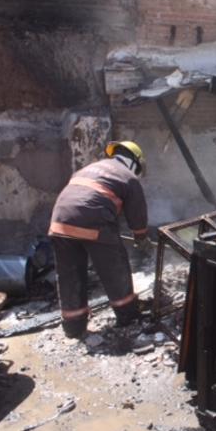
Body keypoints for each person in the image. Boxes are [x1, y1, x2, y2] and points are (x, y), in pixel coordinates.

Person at [48, 141, 150, 338]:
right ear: (134, 162)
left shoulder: (89, 169)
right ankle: (127, 316)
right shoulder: (128, 177)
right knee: (115, 266)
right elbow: (137, 214)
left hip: (59, 223)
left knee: (69, 274)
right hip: (92, 221)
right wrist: (141, 237)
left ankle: (73, 327)